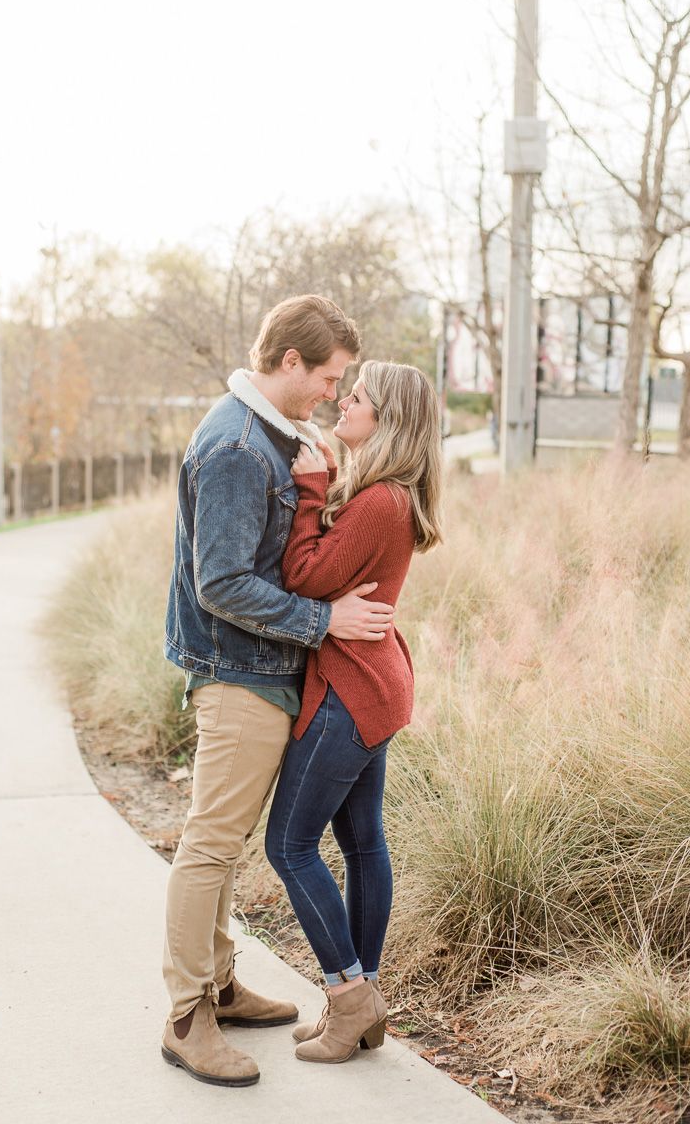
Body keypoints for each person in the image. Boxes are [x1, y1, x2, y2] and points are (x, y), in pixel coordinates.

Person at [161, 295, 397, 1089]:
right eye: (328, 377)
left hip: (259, 670)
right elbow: (222, 582)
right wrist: (324, 616)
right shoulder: (235, 447)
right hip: (237, 676)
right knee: (209, 845)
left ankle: (221, 984)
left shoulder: (268, 434)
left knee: (223, 847)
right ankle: (186, 1015)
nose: (333, 393)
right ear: (289, 362)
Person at [265, 360, 443, 1064]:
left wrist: (310, 483)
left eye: (358, 398)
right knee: (362, 841)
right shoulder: (390, 495)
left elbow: (302, 577)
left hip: (350, 691)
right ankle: (364, 1000)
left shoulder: (377, 503)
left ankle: (347, 997)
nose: (343, 402)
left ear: (386, 420)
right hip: (376, 683)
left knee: (289, 846)